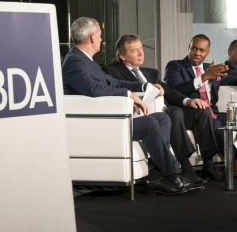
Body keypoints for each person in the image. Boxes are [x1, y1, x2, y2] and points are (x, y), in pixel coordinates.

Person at [62, 17, 203, 195]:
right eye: (99, 34)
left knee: (162, 118)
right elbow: (94, 89)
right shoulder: (74, 61)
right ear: (91, 37)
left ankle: (154, 177)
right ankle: (172, 176)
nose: (101, 39)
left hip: (110, 119)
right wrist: (129, 95)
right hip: (98, 124)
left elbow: (113, 82)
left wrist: (144, 87)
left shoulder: (87, 61)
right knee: (149, 123)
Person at [102, 34, 218, 184]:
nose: (141, 53)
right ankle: (186, 168)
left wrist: (188, 101)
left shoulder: (151, 73)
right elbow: (116, 88)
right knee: (174, 113)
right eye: (135, 51)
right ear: (122, 56)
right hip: (146, 115)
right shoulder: (111, 71)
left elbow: (168, 91)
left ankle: (209, 164)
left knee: (201, 111)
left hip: (165, 110)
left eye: (141, 49)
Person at [164, 34, 237, 178]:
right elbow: (176, 89)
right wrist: (204, 77)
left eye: (202, 50)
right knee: (216, 126)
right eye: (194, 49)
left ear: (207, 52)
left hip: (214, 112)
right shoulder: (175, 66)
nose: (197, 53)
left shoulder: (209, 68)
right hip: (194, 113)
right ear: (189, 48)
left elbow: (228, 78)